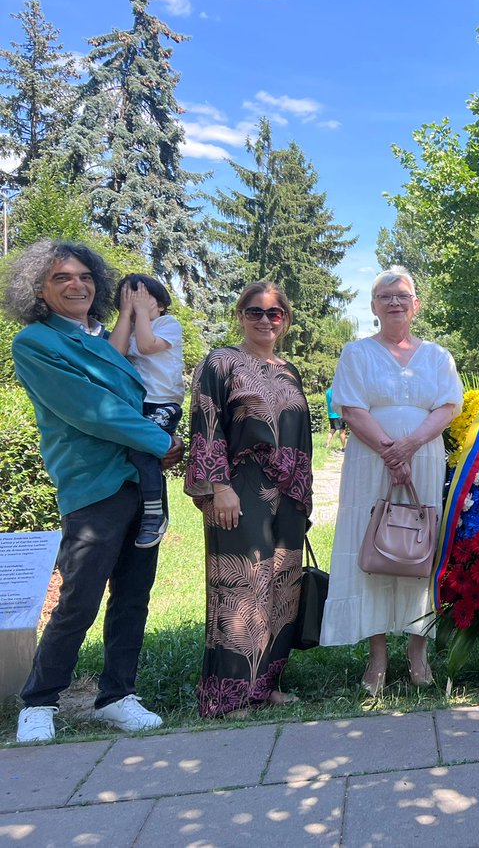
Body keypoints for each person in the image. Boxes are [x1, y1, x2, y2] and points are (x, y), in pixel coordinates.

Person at [5, 240, 183, 743]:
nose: (76, 284)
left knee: (133, 595)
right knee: (79, 598)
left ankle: (117, 696)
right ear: (38, 289)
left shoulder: (109, 336)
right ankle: (39, 700)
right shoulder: (37, 343)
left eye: (84, 276)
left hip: (141, 480)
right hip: (95, 484)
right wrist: (160, 438)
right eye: (61, 277)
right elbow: (89, 409)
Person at [320, 267, 463, 693]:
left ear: (416, 305)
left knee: (418, 550)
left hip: (422, 458)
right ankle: (377, 654)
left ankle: (418, 650)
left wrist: (409, 446)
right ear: (373, 306)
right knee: (374, 546)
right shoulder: (356, 353)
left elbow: (448, 406)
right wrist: (389, 449)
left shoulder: (438, 356)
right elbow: (350, 407)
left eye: (403, 295)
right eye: (385, 296)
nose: (395, 301)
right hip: (370, 461)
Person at [184, 282, 313, 718]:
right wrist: (218, 486)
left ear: (285, 320)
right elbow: (207, 423)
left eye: (274, 313)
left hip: (289, 493)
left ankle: (267, 685)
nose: (264, 320)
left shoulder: (290, 370)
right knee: (242, 586)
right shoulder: (222, 362)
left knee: (282, 586)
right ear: (241, 315)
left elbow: (304, 438)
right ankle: (228, 697)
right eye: (255, 312)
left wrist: (302, 495)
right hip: (241, 487)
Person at [109, 273, 186, 549]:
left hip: (164, 401)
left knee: (142, 450)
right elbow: (112, 357)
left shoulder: (168, 324)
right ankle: (148, 511)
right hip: (139, 404)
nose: (137, 303)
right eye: (128, 298)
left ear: (162, 304)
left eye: (144, 298)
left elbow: (146, 345)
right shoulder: (128, 328)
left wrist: (139, 313)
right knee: (137, 455)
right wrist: (127, 313)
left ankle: (155, 513)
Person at [325, 386, 347, 452]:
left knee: (332, 430)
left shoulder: (328, 392)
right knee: (342, 431)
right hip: (338, 414)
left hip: (331, 414)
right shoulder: (337, 392)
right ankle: (344, 447)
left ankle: (327, 445)